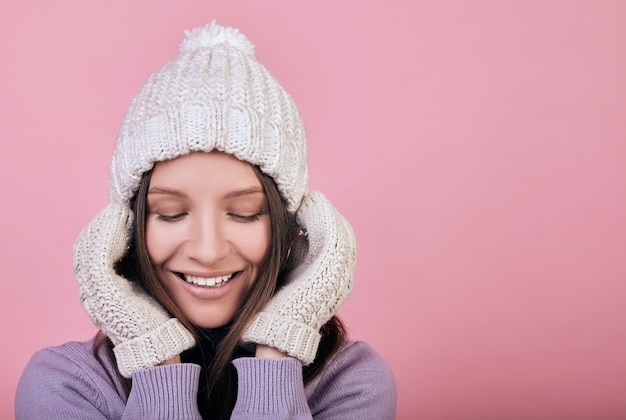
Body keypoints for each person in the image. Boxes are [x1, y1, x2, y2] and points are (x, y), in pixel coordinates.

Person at [15, 21, 397, 419]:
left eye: (244, 214)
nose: (208, 250)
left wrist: (281, 346)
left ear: (291, 228)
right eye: (171, 213)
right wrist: (151, 355)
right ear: (125, 230)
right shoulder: (64, 386)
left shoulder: (352, 383)